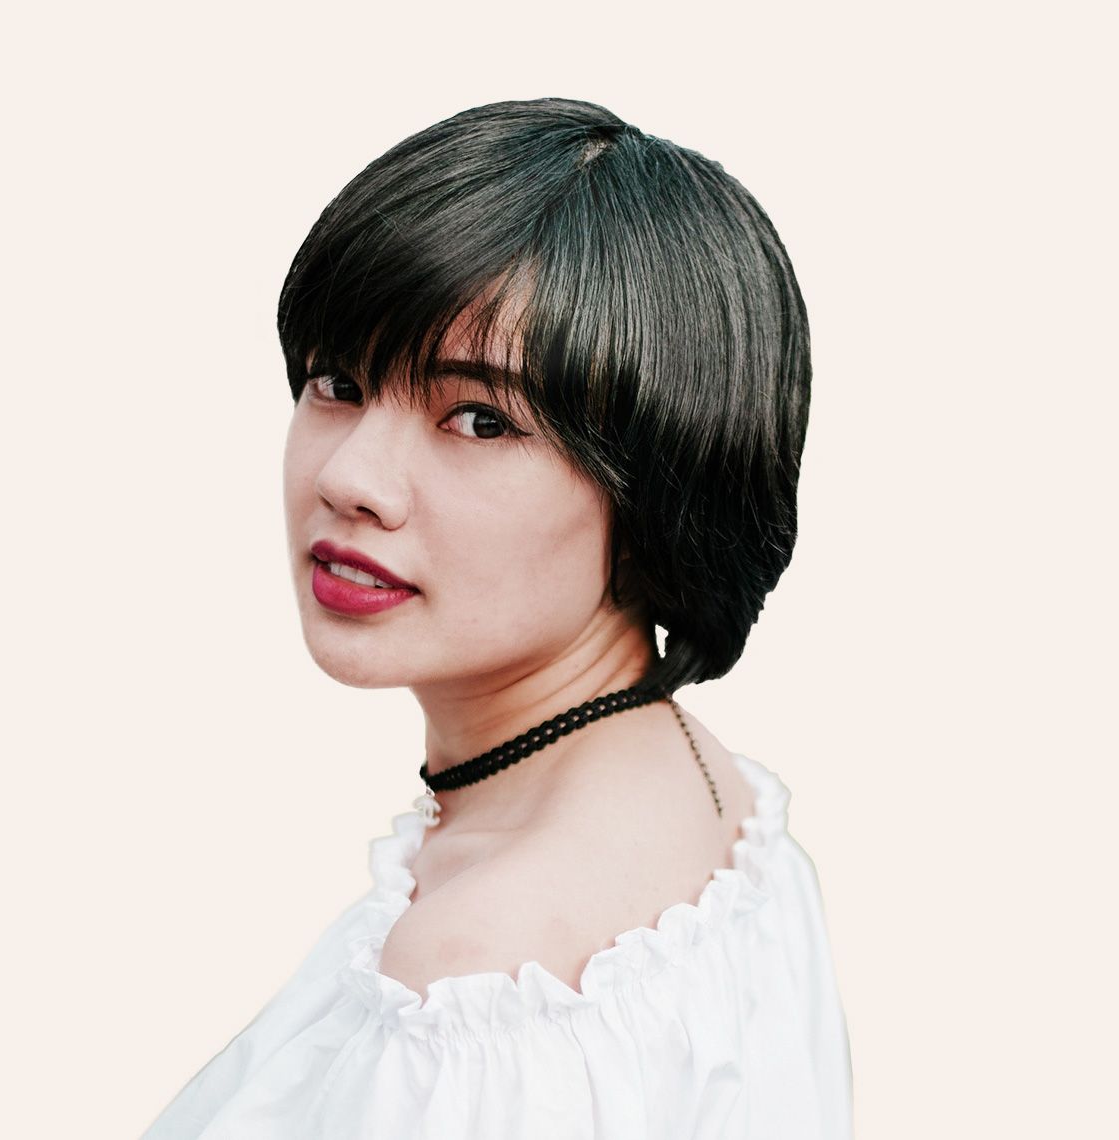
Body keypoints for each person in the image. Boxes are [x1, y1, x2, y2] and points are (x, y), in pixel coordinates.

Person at [142, 97, 853, 1139]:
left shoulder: (478, 981)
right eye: (338, 381)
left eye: (479, 419)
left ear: (662, 487)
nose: (349, 478)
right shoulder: (708, 794)